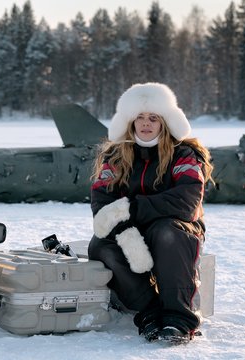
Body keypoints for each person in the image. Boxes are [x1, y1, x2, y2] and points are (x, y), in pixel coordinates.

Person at [88, 82, 213, 345]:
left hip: (178, 228)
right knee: (101, 246)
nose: (146, 124)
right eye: (140, 118)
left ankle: (178, 318)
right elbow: (101, 203)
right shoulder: (115, 156)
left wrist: (131, 209)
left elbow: (187, 201)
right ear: (130, 123)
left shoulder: (183, 155)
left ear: (164, 121)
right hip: (130, 228)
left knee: (165, 232)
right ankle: (150, 311)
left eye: (153, 118)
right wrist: (124, 230)